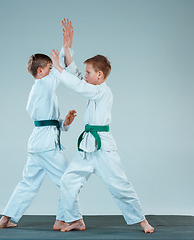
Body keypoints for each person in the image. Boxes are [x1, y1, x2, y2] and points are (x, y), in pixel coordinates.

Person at [49, 19, 154, 233]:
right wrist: (67, 49)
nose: (85, 76)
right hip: (87, 146)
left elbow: (77, 84)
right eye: (86, 73)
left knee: (119, 185)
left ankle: (142, 221)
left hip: (103, 147)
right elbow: (77, 76)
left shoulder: (102, 91)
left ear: (100, 75)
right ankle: (75, 219)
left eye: (89, 73)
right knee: (68, 180)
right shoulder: (91, 86)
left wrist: (58, 67)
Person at [0, 33, 77, 230]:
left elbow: (47, 121)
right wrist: (66, 46)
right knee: (67, 181)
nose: (53, 69)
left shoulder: (38, 90)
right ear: (41, 71)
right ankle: (62, 219)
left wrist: (64, 123)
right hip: (47, 146)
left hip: (37, 144)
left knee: (28, 182)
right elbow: (63, 72)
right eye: (50, 67)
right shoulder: (44, 83)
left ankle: (7, 218)